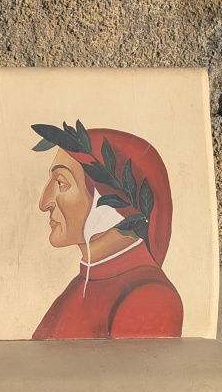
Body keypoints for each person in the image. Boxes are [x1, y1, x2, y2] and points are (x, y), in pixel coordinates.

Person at [29, 121, 183, 339]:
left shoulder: (149, 298)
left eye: (61, 183)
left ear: (111, 200)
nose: (44, 203)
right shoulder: (79, 287)